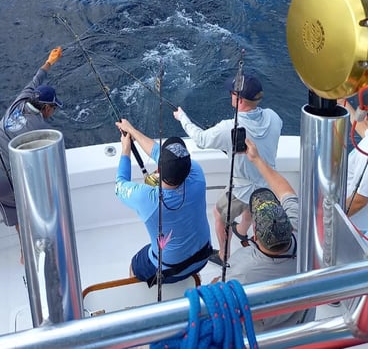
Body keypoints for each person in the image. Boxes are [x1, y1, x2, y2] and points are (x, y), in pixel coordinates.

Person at [173, 74, 282, 266]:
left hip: (242, 189)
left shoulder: (228, 128)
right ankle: (242, 229)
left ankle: (224, 255)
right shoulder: (274, 117)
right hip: (268, 183)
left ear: (239, 100)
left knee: (219, 214)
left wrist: (182, 117)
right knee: (253, 204)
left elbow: (200, 139)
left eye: (232, 93)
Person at [216, 138, 314, 332]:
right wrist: (257, 159)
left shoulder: (242, 268)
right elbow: (286, 191)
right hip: (302, 329)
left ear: (256, 235)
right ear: (288, 224)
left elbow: (218, 298)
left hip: (264, 339)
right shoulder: (303, 233)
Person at [0, 47, 63, 245]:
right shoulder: (39, 128)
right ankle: (25, 255)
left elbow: (37, 78)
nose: (53, 111)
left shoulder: (20, 99)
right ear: (46, 108)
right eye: (53, 107)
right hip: (2, 182)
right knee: (21, 217)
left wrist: (50, 61)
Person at [115, 118, 212, 286]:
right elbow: (157, 152)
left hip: (168, 269)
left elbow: (120, 184)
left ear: (158, 170)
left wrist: (126, 148)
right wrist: (132, 130)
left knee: (134, 265)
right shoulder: (197, 172)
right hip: (203, 256)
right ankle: (193, 279)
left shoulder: (146, 198)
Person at [338, 98, 368, 224]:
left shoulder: (366, 153)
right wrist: (343, 102)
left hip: (353, 224)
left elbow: (360, 200)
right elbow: (362, 129)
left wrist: (328, 217)